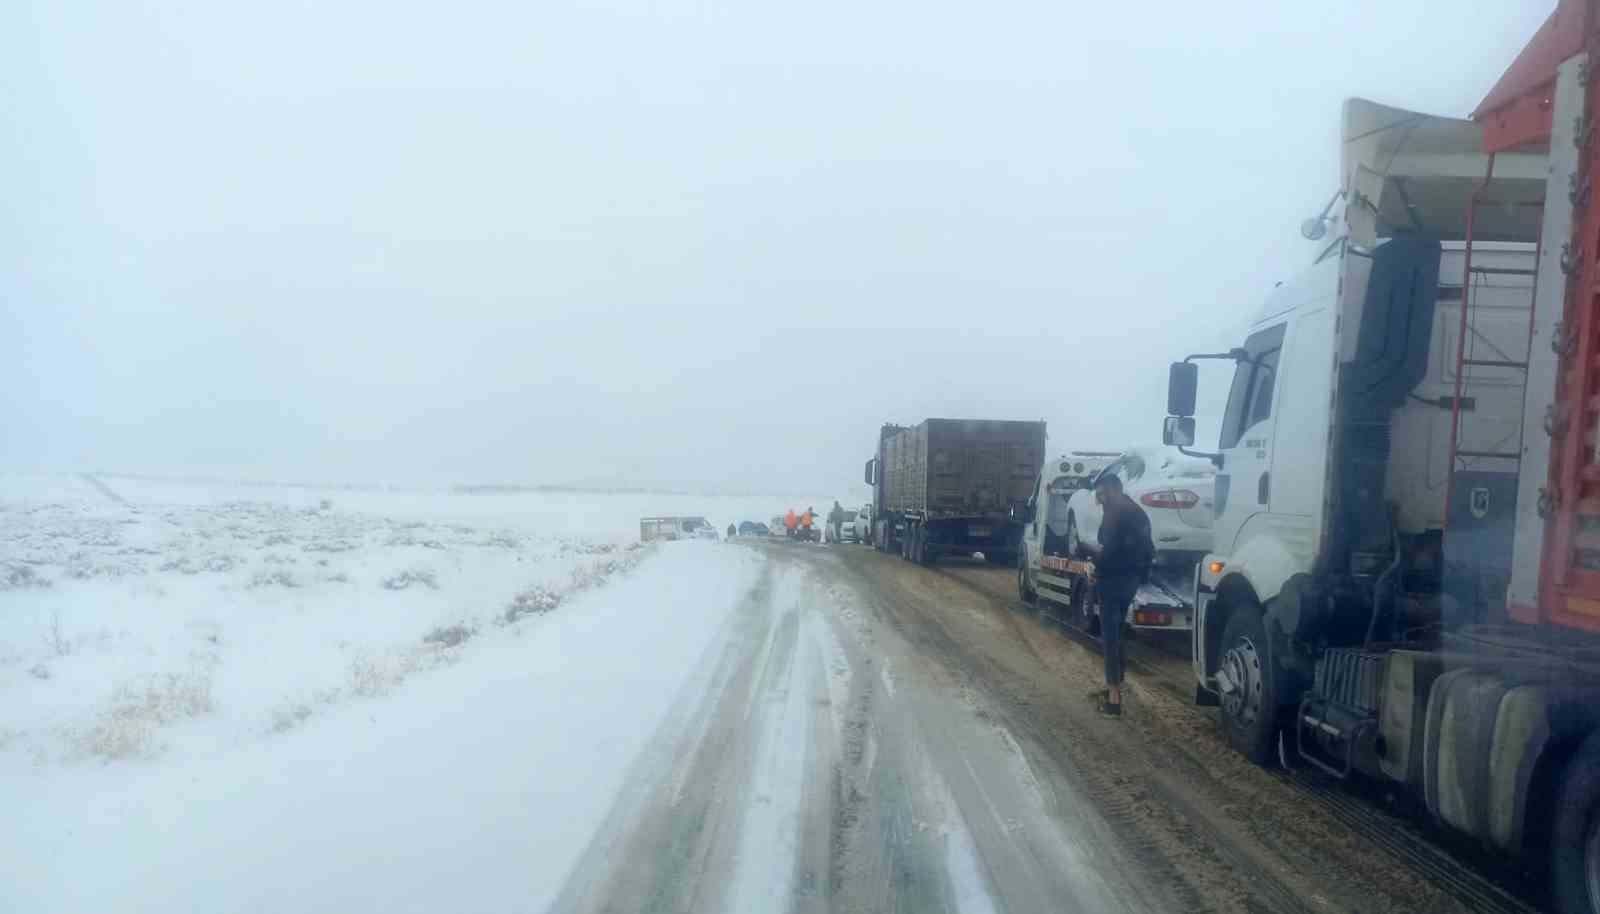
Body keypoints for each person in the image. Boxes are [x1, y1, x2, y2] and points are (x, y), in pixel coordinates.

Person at [1088, 473, 1153, 719]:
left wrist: (1096, 568)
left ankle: (1113, 699)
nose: (1098, 498)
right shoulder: (1136, 510)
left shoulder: (1116, 511)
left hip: (1113, 579)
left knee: (1110, 636)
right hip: (1131, 580)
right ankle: (1115, 685)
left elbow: (1111, 547)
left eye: (1101, 492)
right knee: (1118, 630)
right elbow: (1148, 547)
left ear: (1113, 489)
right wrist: (1142, 574)